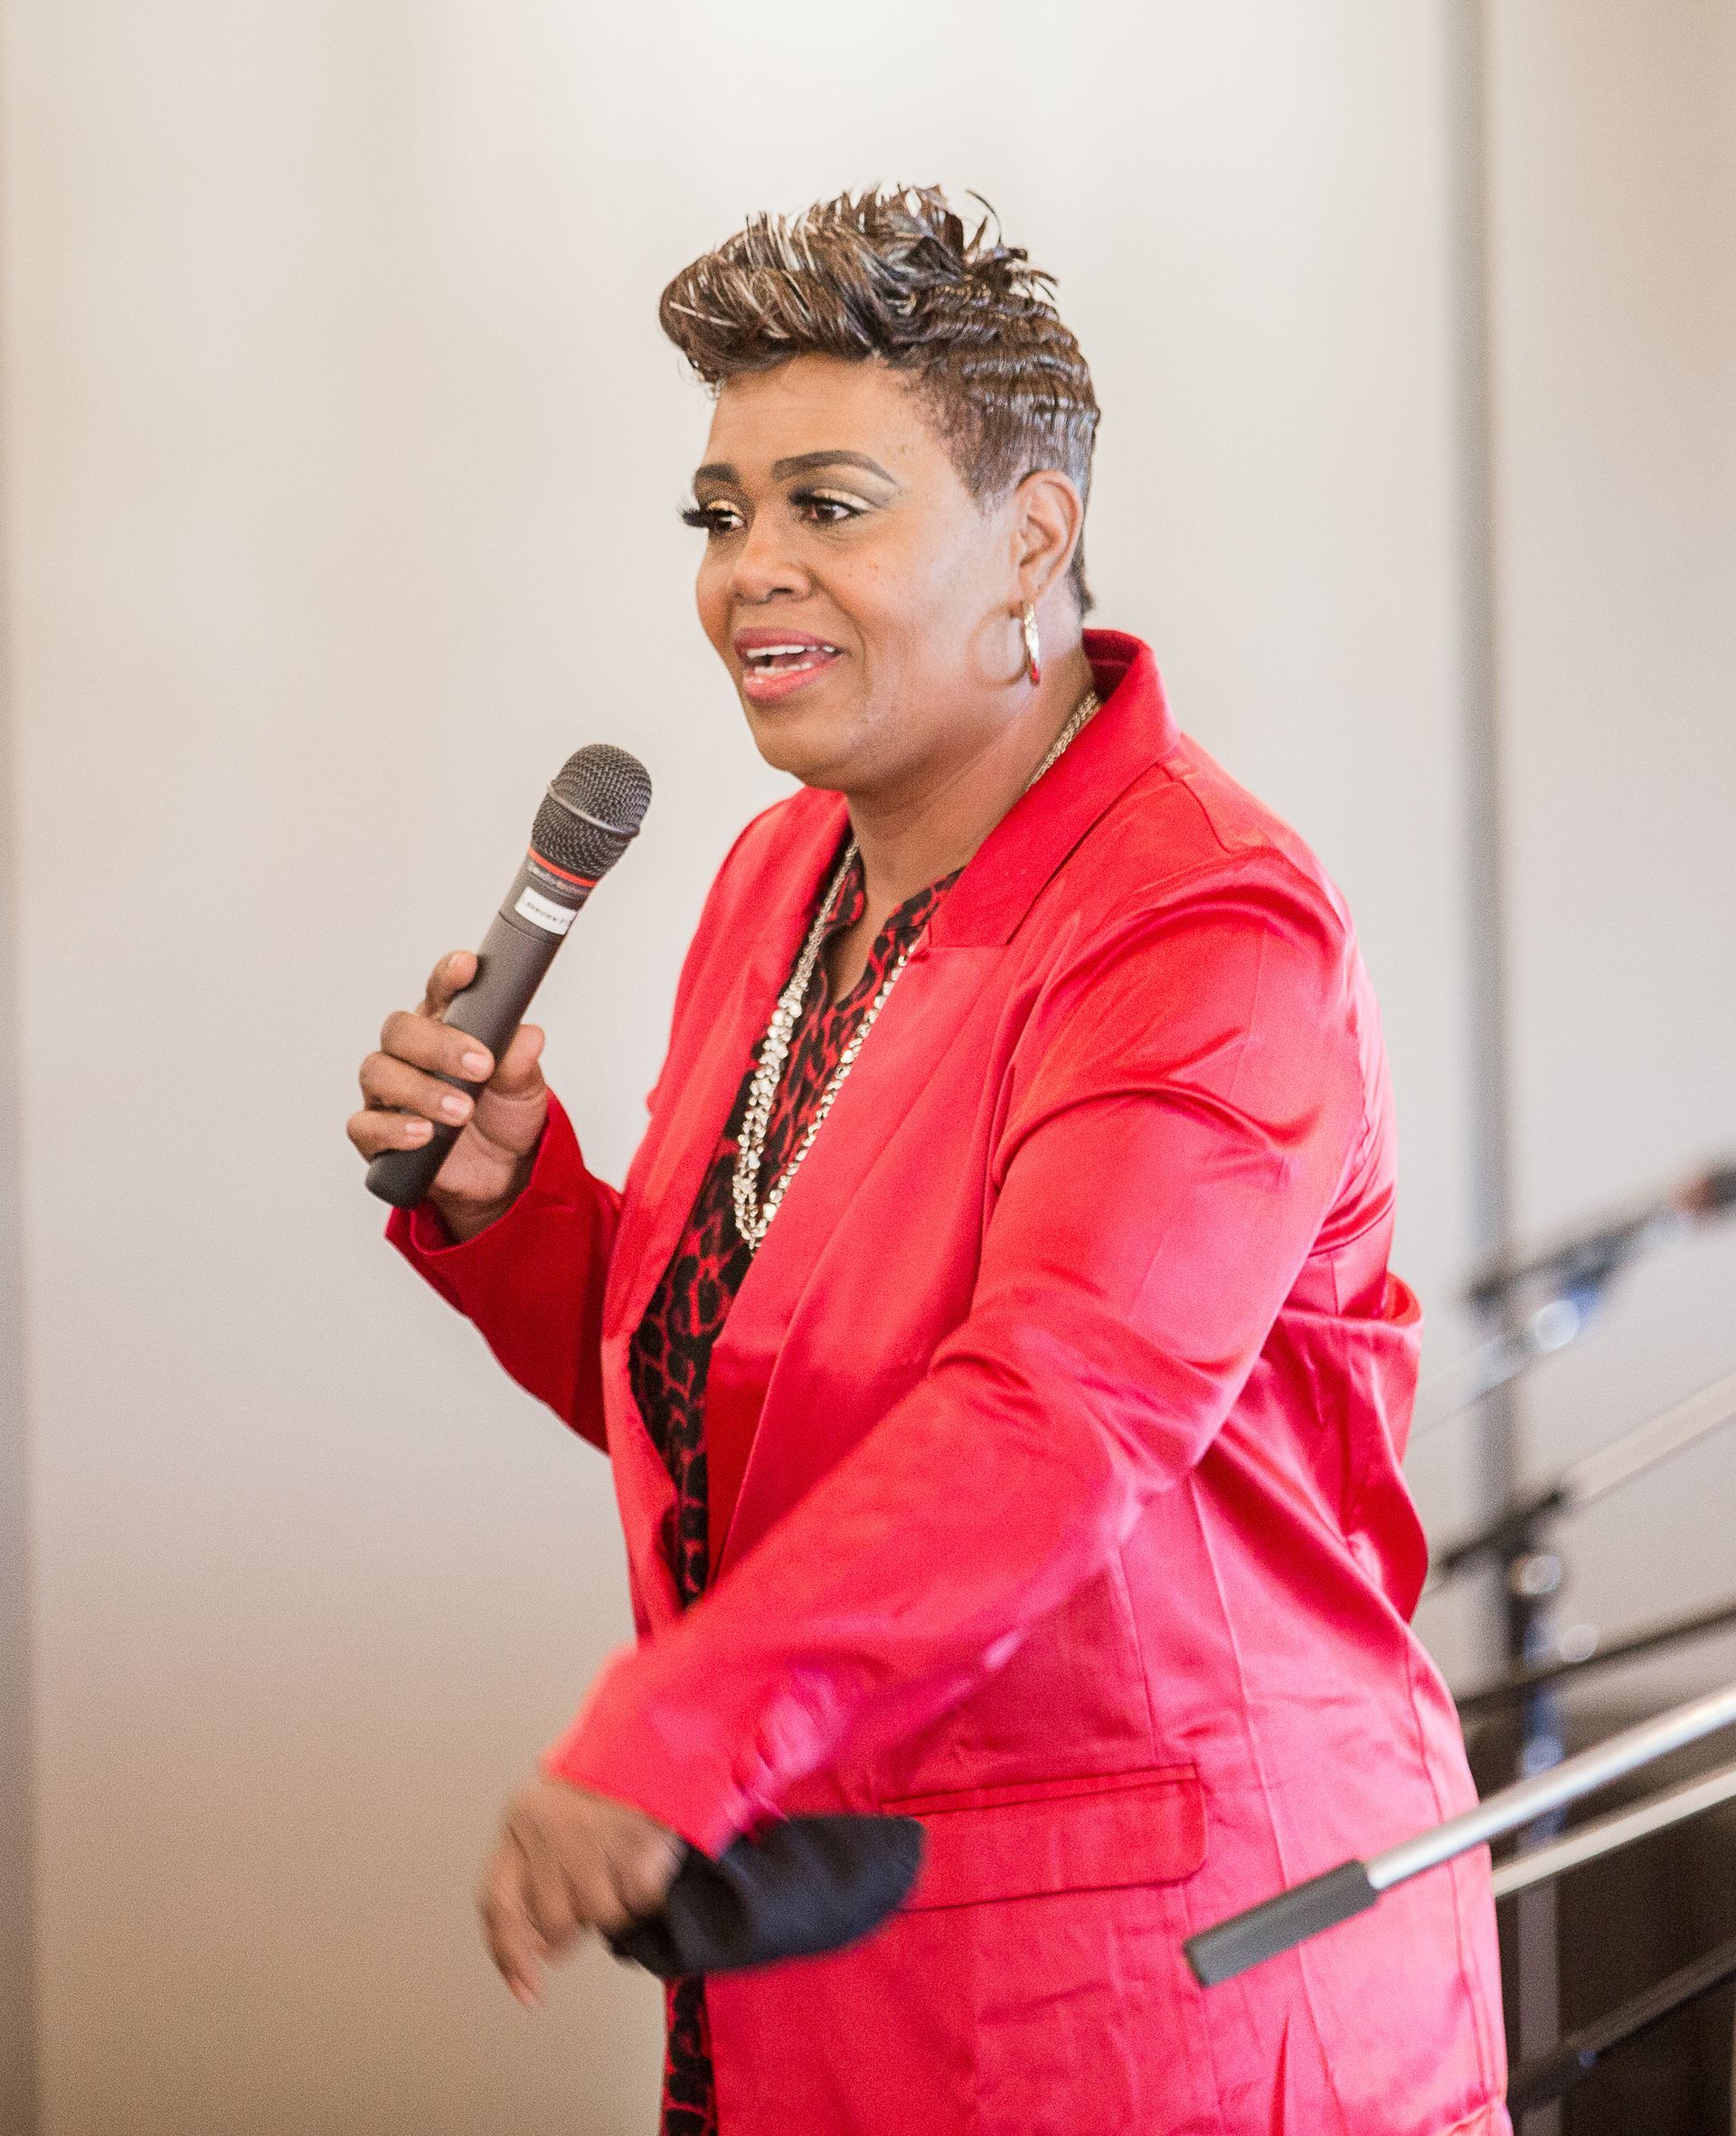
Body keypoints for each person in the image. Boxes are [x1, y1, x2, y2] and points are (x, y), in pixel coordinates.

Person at [349, 187, 1509, 2136]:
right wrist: (514, 1204)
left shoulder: (1203, 928)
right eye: (721, 516)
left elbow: (1052, 1414)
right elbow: (761, 1394)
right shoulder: (779, 877)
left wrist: (673, 1735)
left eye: (829, 503)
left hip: (1170, 1990)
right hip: (830, 1949)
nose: (749, 574)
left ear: (1031, 541)